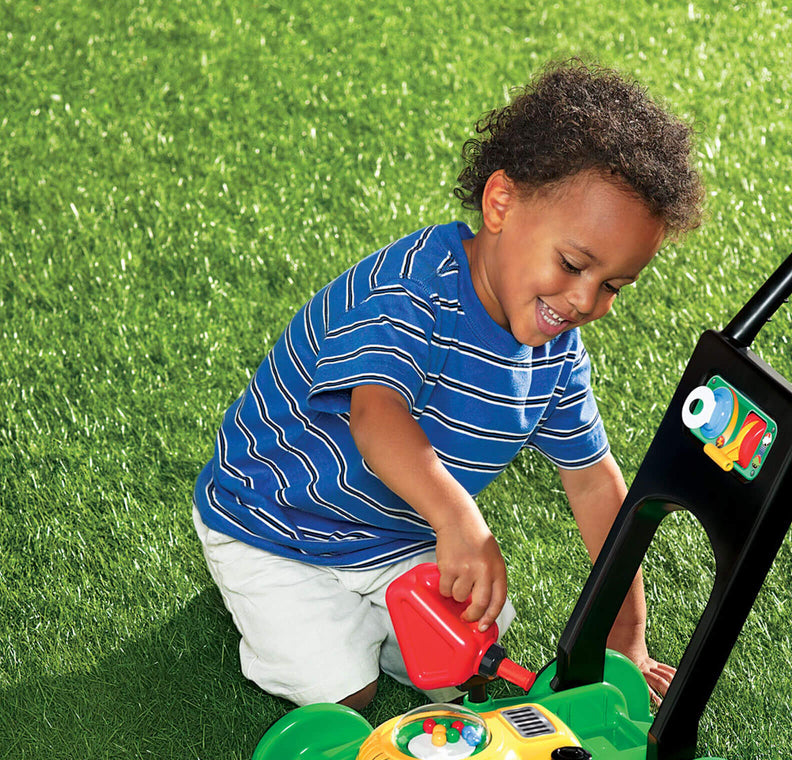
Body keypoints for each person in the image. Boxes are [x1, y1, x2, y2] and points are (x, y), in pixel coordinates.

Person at [193, 58, 704, 711]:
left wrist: (627, 641)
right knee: (343, 691)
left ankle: (371, 617)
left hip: (398, 535)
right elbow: (376, 420)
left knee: (472, 659)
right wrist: (456, 519)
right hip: (277, 523)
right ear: (501, 203)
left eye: (612, 286)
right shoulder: (408, 293)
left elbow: (596, 484)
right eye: (573, 264)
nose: (584, 300)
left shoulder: (554, 355)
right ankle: (266, 608)